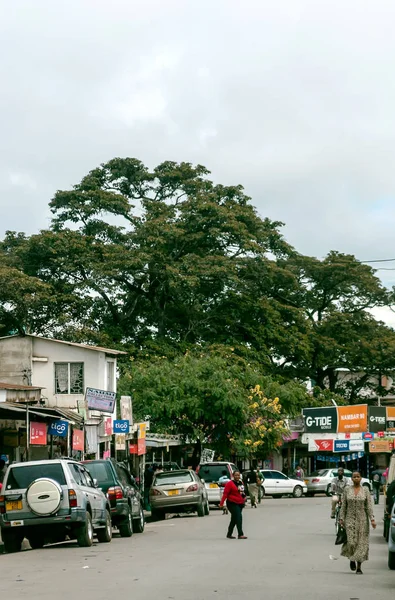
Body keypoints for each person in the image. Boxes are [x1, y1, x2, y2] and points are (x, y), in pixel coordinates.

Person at [339, 471, 376, 574]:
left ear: (361, 478)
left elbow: (368, 506)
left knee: (361, 544)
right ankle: (352, 559)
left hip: (363, 521)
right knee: (351, 542)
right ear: (351, 479)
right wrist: (341, 518)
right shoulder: (347, 490)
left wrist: (372, 519)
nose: (356, 478)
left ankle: (359, 566)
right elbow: (344, 506)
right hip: (349, 519)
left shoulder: (365, 490)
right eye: (354, 477)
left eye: (358, 477)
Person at [219, 471, 247, 539]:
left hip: (240, 503)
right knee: (239, 517)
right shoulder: (229, 484)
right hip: (232, 503)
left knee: (234, 519)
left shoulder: (240, 483)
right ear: (233, 476)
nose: (237, 477)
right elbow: (225, 494)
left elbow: (242, 492)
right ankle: (240, 534)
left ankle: (229, 534)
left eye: (238, 475)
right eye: (236, 475)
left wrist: (244, 498)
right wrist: (221, 504)